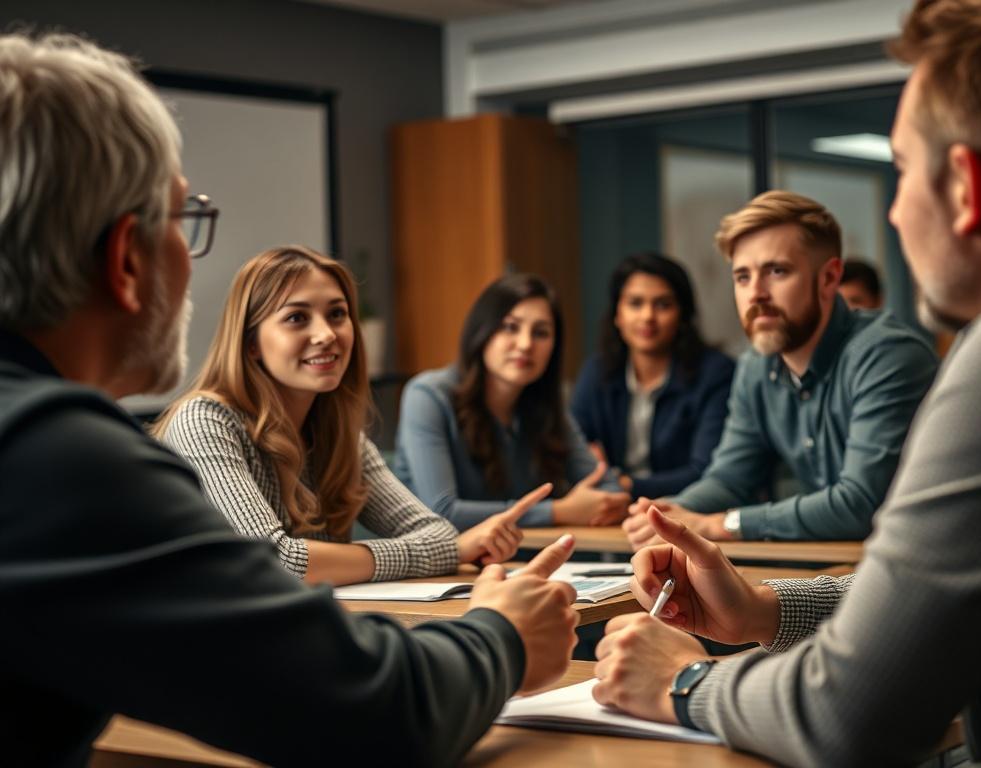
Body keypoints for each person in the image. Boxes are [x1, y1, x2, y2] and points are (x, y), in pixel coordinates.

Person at [0, 31, 580, 767]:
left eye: (337, 314)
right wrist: (502, 632)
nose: (326, 335)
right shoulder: (59, 454)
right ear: (125, 259)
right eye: (182, 220)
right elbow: (375, 714)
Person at [594, 0, 981, 763]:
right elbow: (920, 602)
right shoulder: (761, 367)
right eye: (743, 276)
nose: (894, 214)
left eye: (900, 171)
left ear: (966, 187)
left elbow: (846, 715)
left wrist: (684, 681)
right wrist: (761, 606)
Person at [153, 246, 539, 585]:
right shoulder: (204, 420)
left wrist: (443, 549)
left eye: (337, 314)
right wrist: (440, 553)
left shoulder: (340, 437)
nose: (327, 334)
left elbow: (437, 534)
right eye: (297, 318)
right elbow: (276, 561)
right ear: (251, 343)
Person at [623, 191, 937, 546]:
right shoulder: (755, 367)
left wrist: (720, 525)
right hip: (839, 566)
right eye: (742, 277)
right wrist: (669, 513)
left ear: (829, 278)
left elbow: (861, 504)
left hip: (924, 562)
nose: (756, 293)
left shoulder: (886, 356)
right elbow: (730, 479)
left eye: (777, 271)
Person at [394, 273, 631, 530]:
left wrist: (604, 503)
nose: (526, 344)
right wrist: (559, 511)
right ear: (482, 331)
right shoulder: (427, 396)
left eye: (541, 333)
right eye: (510, 327)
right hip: (445, 555)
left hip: (527, 554)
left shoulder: (545, 406)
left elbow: (610, 490)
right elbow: (442, 511)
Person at [570, 253, 735, 500]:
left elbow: (707, 472)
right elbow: (572, 453)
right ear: (617, 314)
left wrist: (625, 485)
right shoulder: (597, 371)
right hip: (612, 508)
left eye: (663, 305)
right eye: (635, 303)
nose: (647, 316)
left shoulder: (716, 374)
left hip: (688, 508)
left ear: (682, 315)